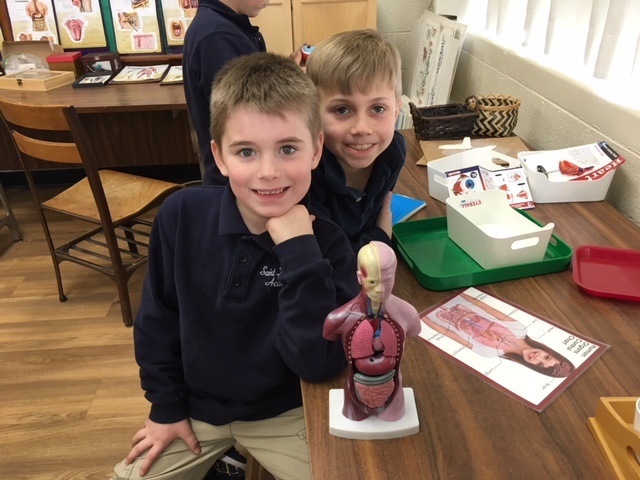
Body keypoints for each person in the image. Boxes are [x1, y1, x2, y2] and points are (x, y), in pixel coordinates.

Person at [112, 52, 359, 480]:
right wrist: (164, 407)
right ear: (219, 157)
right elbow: (157, 322)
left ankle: (232, 461)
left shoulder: (331, 245)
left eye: (287, 149)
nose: (268, 172)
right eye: (246, 151)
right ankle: (225, 459)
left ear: (316, 149)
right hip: (193, 410)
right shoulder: (180, 216)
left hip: (283, 415)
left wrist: (300, 252)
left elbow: (317, 363)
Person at [305, 29, 405, 256]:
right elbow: (329, 257)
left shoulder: (393, 152)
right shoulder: (306, 170)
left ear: (396, 111)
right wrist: (381, 237)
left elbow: (367, 228)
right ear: (312, 113)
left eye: (378, 109)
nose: (362, 128)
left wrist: (376, 238)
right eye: (342, 109)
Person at [323, 241, 421, 422]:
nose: (381, 289)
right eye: (374, 282)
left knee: (393, 419)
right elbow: (329, 331)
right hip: (355, 392)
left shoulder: (408, 314)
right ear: (360, 277)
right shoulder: (339, 319)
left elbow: (415, 329)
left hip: (393, 391)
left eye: (387, 281)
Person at [183, 0, 268, 186]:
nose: (268, 2)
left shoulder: (222, 26)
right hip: (239, 181)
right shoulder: (219, 37)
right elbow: (253, 114)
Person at [421, 292, 575, 377]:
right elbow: (483, 305)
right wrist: (459, 291)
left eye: (540, 364)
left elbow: (448, 333)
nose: (537, 358)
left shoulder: (489, 353)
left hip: (436, 316)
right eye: (546, 357)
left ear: (533, 367)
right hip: (455, 300)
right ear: (548, 351)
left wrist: (421, 317)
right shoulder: (520, 329)